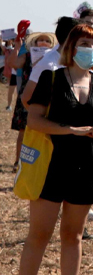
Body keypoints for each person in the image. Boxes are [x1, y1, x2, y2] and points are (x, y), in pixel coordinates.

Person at [9, 23, 93, 275]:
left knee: (74, 236)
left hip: (87, 166)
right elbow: (35, 119)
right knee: (38, 235)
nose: (91, 50)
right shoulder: (51, 79)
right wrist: (70, 130)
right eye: (85, 43)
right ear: (71, 47)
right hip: (51, 165)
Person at [11, 32, 56, 172]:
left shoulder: (55, 58)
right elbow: (13, 64)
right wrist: (17, 48)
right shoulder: (28, 55)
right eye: (40, 40)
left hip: (48, 97)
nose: (43, 42)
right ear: (34, 43)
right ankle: (18, 161)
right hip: (28, 95)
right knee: (23, 130)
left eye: (47, 40)